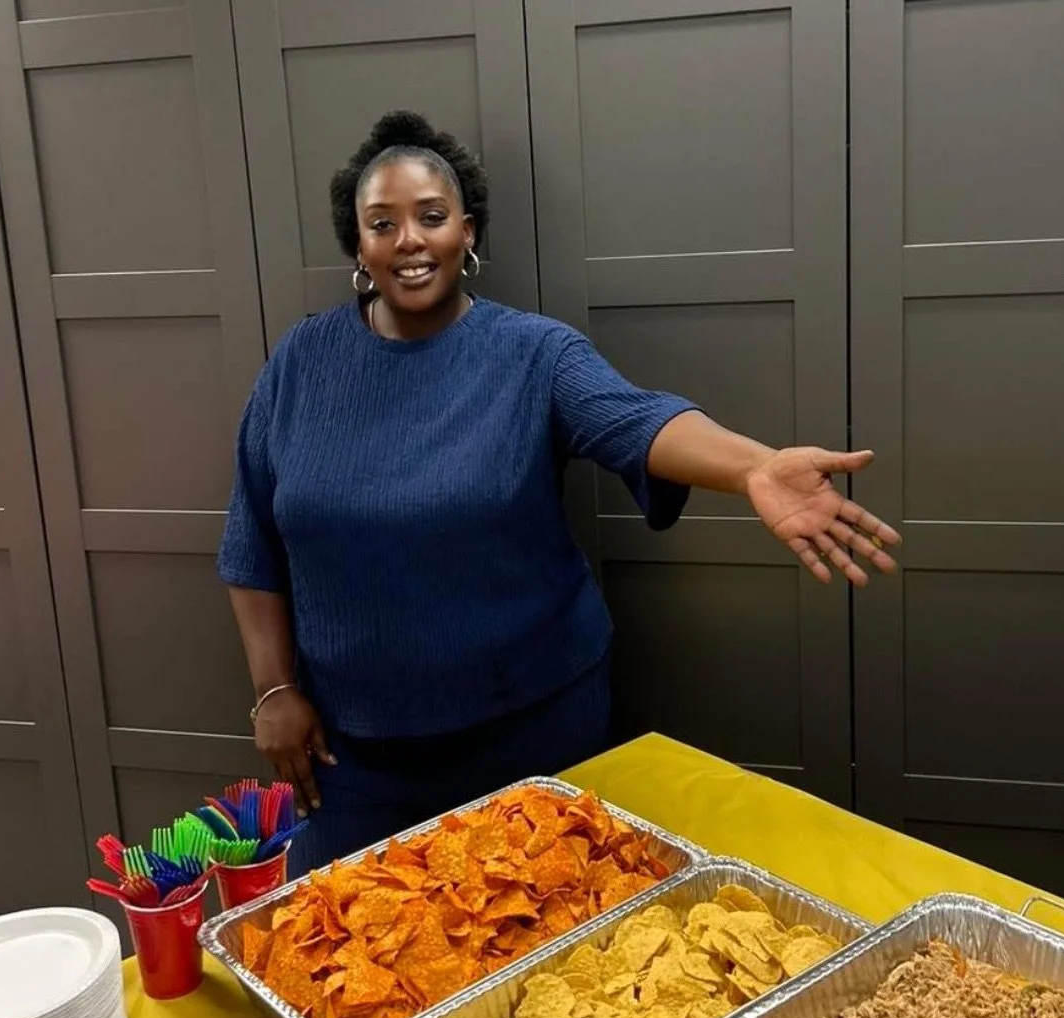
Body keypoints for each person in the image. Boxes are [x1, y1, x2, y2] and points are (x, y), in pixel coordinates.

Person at [219, 111, 900, 874]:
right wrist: (273, 689)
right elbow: (253, 541)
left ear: (467, 232)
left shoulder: (532, 353)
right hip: (352, 762)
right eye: (383, 223)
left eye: (431, 217)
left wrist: (752, 467)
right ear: (359, 245)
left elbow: (635, 419)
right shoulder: (302, 364)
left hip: (529, 739)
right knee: (355, 965)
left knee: (539, 955)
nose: (409, 240)